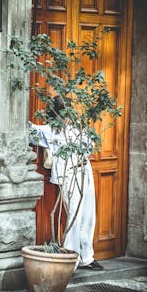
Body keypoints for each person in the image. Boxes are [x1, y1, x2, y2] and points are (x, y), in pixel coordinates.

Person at [29, 96, 103, 271]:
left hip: (85, 171)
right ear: (56, 114)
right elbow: (30, 131)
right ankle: (71, 257)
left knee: (88, 215)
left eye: (69, 112)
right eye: (63, 113)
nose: (68, 117)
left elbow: (90, 146)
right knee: (74, 216)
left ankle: (87, 257)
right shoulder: (50, 131)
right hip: (68, 176)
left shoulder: (78, 128)